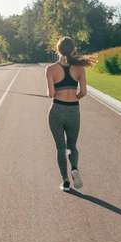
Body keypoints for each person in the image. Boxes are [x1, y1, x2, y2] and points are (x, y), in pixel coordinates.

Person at [45, 36, 93, 192]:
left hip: (57, 109)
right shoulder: (80, 68)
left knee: (60, 148)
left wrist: (53, 92)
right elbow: (84, 92)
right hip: (74, 110)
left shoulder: (51, 69)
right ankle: (74, 168)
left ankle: (65, 182)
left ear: (57, 50)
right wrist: (74, 97)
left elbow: (51, 94)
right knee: (72, 145)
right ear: (73, 49)